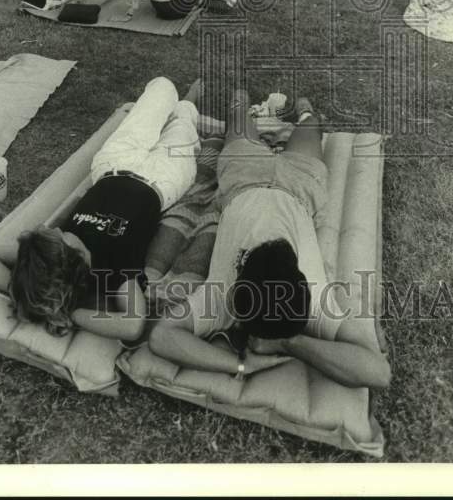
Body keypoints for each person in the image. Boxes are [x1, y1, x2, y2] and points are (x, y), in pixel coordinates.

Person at [148, 88, 391, 389]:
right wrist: (241, 363)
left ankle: (276, 107)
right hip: (299, 185)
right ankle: (263, 103)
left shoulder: (231, 298)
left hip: (245, 179)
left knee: (287, 122)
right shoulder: (307, 300)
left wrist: (290, 343)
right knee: (300, 123)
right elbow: (377, 371)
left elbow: (162, 336)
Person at [0, 78, 200, 339]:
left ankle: (177, 102)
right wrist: (70, 313)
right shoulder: (110, 270)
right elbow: (133, 325)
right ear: (69, 255)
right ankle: (189, 101)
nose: (50, 228)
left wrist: (29, 295)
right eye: (53, 235)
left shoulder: (45, 257)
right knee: (184, 118)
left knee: (163, 86)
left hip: (114, 163)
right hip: (163, 179)